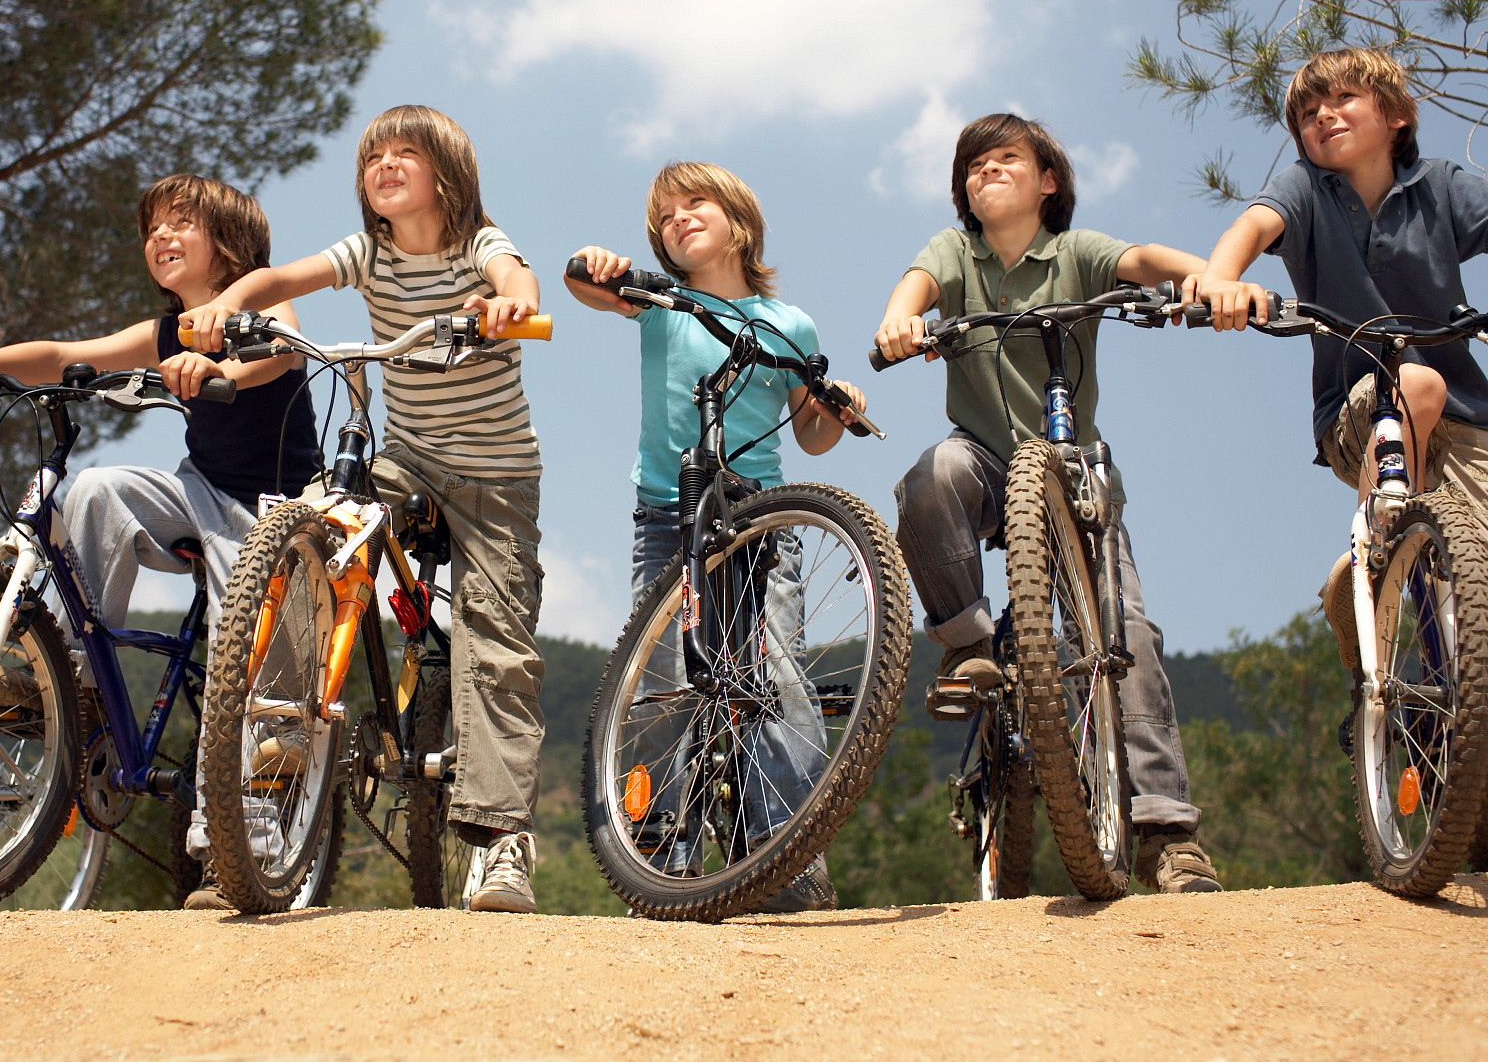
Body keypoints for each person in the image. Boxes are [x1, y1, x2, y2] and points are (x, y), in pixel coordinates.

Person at [1195, 46, 1488, 864]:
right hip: (1358, 409)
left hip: (1472, 421)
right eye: (1308, 111)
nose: (1323, 116)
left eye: (1344, 99)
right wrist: (1224, 278)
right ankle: (1382, 535)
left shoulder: (1441, 189)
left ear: (1396, 116)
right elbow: (1251, 228)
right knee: (1415, 380)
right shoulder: (1305, 191)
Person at [183, 104, 548, 912]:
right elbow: (281, 281)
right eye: (371, 155)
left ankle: (500, 841)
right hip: (405, 457)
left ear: (446, 173)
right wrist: (228, 304)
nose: (382, 163)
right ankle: (260, 800)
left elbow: (517, 275)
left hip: (495, 478)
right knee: (308, 530)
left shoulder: (477, 244)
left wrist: (508, 305)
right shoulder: (371, 254)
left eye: (403, 152)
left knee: (497, 637)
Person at [0, 173, 323, 907]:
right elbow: (67, 353)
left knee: (254, 674)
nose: (160, 237)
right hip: (198, 490)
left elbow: (285, 355)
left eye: (181, 223)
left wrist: (219, 365)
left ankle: (236, 852)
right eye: (152, 229)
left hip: (277, 512)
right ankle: (82, 681)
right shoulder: (162, 330)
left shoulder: (261, 296)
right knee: (95, 490)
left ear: (228, 243)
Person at [874, 112, 1225, 894]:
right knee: (930, 475)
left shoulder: (1076, 252)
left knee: (1125, 629)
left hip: (1072, 465)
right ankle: (968, 642)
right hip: (985, 462)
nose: (986, 172)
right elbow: (918, 283)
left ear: (1048, 182)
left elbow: (1140, 259)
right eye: (973, 166)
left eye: (1006, 159)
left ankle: (1168, 831)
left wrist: (1206, 273)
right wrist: (902, 319)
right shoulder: (956, 253)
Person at [566, 161, 867, 912]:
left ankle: (784, 851)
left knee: (777, 670)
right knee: (665, 680)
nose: (677, 219)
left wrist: (838, 405)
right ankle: (663, 847)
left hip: (762, 517)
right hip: (671, 514)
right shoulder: (662, 303)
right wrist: (598, 266)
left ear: (740, 221)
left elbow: (811, 430)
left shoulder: (789, 323)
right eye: (663, 216)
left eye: (694, 203)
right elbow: (585, 287)